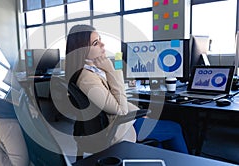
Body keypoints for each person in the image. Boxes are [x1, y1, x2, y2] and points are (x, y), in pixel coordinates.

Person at [65, 24, 188, 154]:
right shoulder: (88, 79)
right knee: (175, 128)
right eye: (96, 43)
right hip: (116, 130)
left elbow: (113, 100)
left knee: (159, 139)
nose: (103, 45)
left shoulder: (90, 72)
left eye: (100, 39)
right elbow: (121, 110)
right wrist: (112, 70)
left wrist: (138, 112)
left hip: (114, 125)